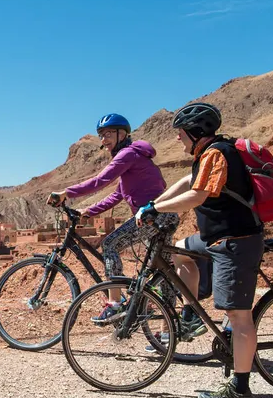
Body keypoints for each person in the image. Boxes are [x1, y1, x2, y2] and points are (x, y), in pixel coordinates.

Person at [135, 101, 264, 398]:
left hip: (235, 241)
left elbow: (197, 195)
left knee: (239, 316)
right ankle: (191, 315)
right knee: (180, 251)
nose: (178, 138)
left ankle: (240, 389)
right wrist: (151, 204)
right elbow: (184, 183)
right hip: (214, 239)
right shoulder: (206, 155)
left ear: (196, 131)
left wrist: (156, 209)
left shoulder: (218, 154)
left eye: (181, 133)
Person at [49, 114, 195, 331]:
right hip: (164, 216)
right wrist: (90, 211)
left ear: (122, 134)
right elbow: (117, 195)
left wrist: (66, 193)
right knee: (162, 273)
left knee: (110, 244)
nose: (103, 140)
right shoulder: (135, 157)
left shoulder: (128, 155)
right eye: (101, 136)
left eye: (108, 134)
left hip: (154, 217)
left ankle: (116, 303)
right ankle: (168, 333)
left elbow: (101, 181)